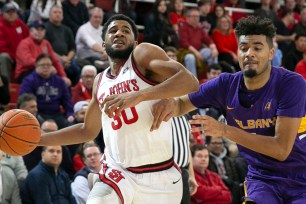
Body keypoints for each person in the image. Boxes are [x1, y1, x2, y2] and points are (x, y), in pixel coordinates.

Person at [38, 14, 199, 204]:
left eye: (126, 31)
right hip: (117, 173)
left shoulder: (142, 55)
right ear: (104, 45)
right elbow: (86, 130)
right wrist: (38, 140)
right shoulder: (100, 81)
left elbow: (190, 81)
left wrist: (139, 95)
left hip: (159, 177)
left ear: (136, 42)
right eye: (113, 31)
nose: (119, 33)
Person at [151, 16, 306, 203]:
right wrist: (166, 102)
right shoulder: (225, 84)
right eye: (244, 48)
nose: (249, 53)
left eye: (257, 48)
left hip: (300, 176)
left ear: (271, 52)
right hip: (262, 178)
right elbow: (182, 104)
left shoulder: (291, 84)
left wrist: (224, 130)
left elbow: (281, 149)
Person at [19, 53, 74, 129]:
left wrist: (70, 114)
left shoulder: (59, 81)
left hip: (56, 114)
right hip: (38, 113)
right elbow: (25, 100)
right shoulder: (29, 81)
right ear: (36, 66)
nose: (46, 67)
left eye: (48, 65)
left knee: (71, 126)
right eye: (42, 65)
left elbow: (67, 100)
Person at [15, 20, 71, 86]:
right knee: (46, 75)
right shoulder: (24, 43)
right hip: (25, 72)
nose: (39, 32)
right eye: (37, 29)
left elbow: (55, 61)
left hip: (44, 71)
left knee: (64, 82)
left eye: (42, 30)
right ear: (30, 31)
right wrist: (46, 66)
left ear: (44, 32)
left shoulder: (46, 43)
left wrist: (63, 76)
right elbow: (27, 62)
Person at [44, 4, 80, 86]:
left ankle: (74, 91)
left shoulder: (67, 29)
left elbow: (73, 48)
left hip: (68, 59)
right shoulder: (45, 28)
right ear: (49, 15)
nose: (58, 14)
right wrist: (60, 59)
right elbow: (46, 48)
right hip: (52, 59)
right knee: (59, 67)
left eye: (60, 12)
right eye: (55, 12)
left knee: (77, 69)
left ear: (63, 16)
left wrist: (67, 58)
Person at [178, 8, 218, 79]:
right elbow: (185, 43)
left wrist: (214, 48)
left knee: (212, 53)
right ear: (188, 17)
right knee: (191, 57)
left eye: (197, 16)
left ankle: (214, 78)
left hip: (199, 52)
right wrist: (196, 53)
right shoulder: (183, 28)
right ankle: (194, 83)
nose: (196, 18)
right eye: (194, 16)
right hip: (185, 53)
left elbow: (208, 40)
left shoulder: (199, 29)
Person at [0, 2, 29, 82]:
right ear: (2, 14)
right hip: (10, 57)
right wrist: (17, 57)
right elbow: (2, 49)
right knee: (4, 57)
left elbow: (29, 40)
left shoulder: (20, 24)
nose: (11, 14)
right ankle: (6, 86)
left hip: (21, 57)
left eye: (13, 12)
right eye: (8, 12)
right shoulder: (1, 26)